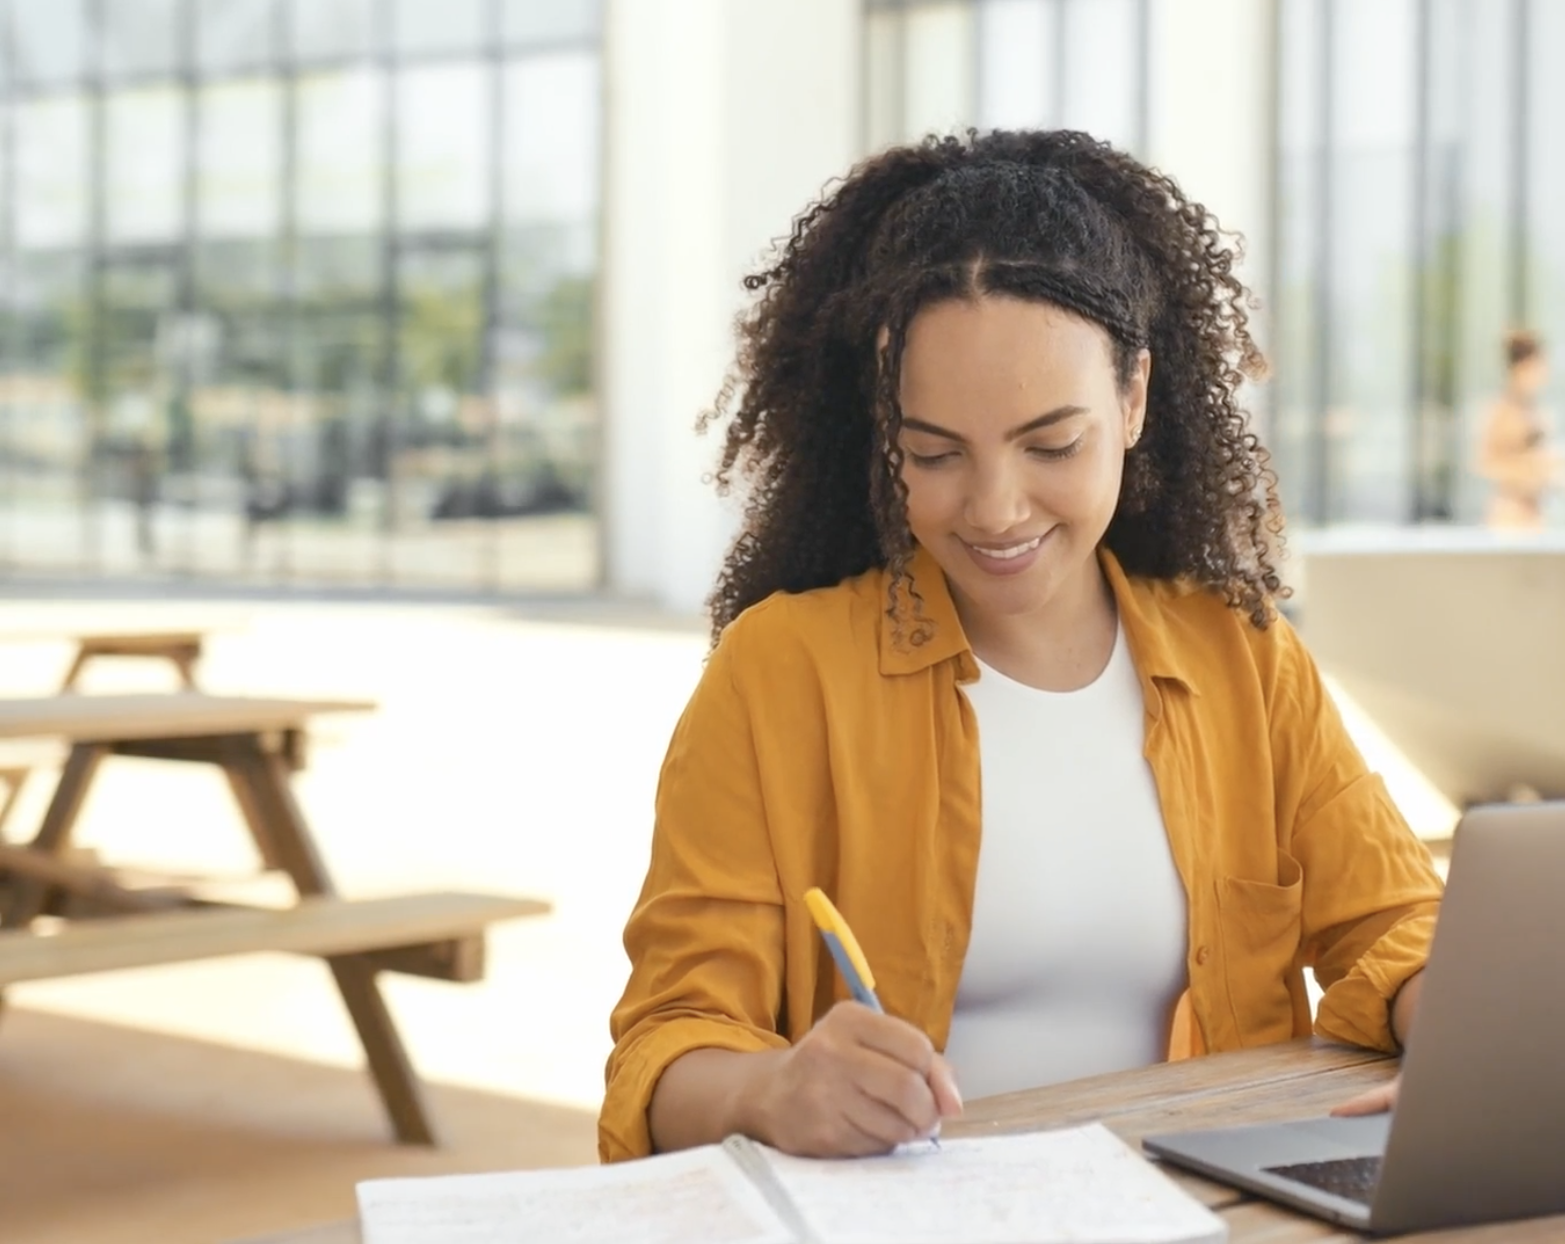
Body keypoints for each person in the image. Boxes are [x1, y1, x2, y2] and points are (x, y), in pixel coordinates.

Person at [599, 129, 1442, 1164]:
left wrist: (1449, 1014)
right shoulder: (781, 672)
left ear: (1132, 398)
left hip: (1207, 1215)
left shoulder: (1243, 657)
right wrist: (771, 1085)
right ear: (880, 437)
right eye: (932, 453)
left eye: (1052, 444)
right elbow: (668, 1044)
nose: (994, 509)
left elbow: (1396, 923)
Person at [1473, 330, 1565, 530]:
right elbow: (1487, 463)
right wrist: (1532, 470)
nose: (1544, 372)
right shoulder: (1500, 411)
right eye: (1539, 366)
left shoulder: (1534, 409)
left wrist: (1560, 476)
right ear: (1522, 367)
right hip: (1510, 515)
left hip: (1533, 513)